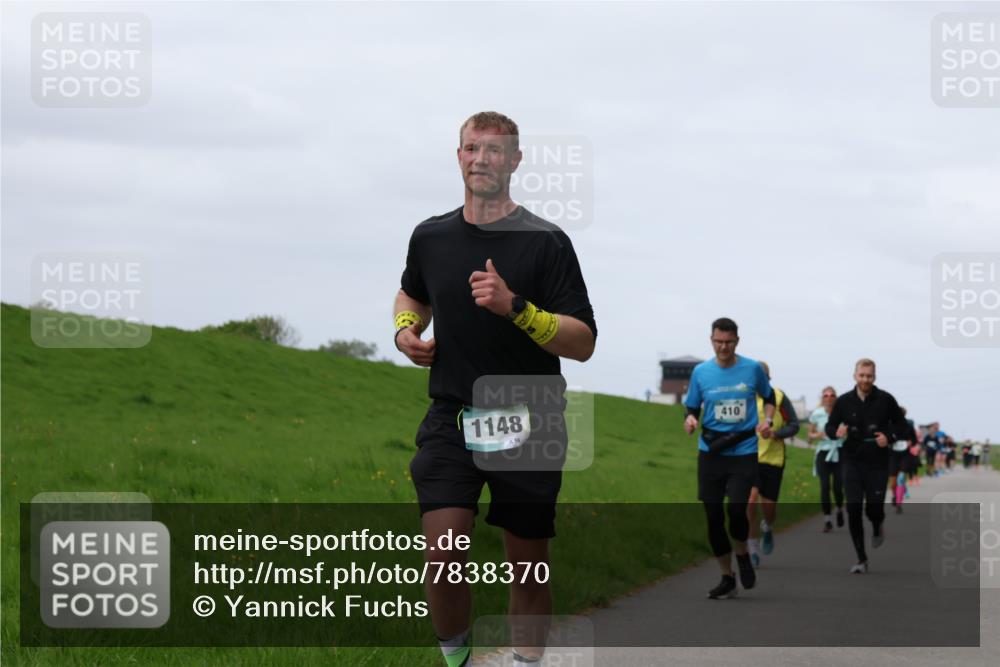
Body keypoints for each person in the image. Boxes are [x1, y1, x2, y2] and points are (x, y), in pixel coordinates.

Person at [394, 111, 597, 667]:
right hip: (452, 415)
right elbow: (411, 295)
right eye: (470, 149)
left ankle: (524, 662)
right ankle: (456, 658)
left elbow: (582, 342)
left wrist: (518, 310)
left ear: (514, 160)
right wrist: (404, 333)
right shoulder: (430, 236)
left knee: (527, 562)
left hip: (528, 417)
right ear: (457, 156)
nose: (480, 159)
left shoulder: (547, 243)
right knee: (443, 554)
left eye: (493, 150)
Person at [683, 317, 775, 598]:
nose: (723, 347)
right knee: (713, 517)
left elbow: (769, 398)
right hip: (711, 452)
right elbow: (691, 407)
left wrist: (768, 420)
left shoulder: (752, 369)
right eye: (718, 342)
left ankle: (743, 555)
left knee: (737, 509)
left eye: (729, 342)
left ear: (737, 341)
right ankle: (727, 576)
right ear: (711, 340)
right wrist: (689, 419)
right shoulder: (701, 372)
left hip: (743, 450)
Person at [825, 358, 906, 574]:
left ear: (874, 377)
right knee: (853, 508)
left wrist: (889, 436)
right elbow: (830, 426)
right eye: (861, 375)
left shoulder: (886, 400)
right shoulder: (843, 401)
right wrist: (836, 432)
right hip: (851, 461)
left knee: (874, 508)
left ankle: (878, 524)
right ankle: (861, 558)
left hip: (877, 463)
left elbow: (902, 425)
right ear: (855, 376)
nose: (865, 379)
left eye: (869, 376)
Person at [746, 361, 800, 567]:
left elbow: (794, 425)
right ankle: (752, 549)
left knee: (768, 508)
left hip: (772, 459)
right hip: (748, 458)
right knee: (749, 502)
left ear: (768, 379)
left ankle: (767, 527)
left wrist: (776, 433)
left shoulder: (778, 397)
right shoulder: (745, 398)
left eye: (762, 378)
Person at [807, 387, 844, 532]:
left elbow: (849, 431)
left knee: (837, 487)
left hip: (839, 451)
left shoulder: (842, 413)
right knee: (824, 486)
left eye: (832, 395)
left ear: (836, 398)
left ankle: (840, 509)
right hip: (823, 452)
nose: (829, 398)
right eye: (826, 396)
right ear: (822, 398)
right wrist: (817, 436)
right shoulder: (817, 414)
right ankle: (827, 519)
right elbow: (809, 436)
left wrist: (844, 433)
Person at [889, 408, 918, 514]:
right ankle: (895, 495)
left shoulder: (909, 426)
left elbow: (915, 440)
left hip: (905, 456)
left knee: (901, 479)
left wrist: (911, 442)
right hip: (893, 456)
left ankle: (898, 504)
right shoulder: (889, 426)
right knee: (892, 483)